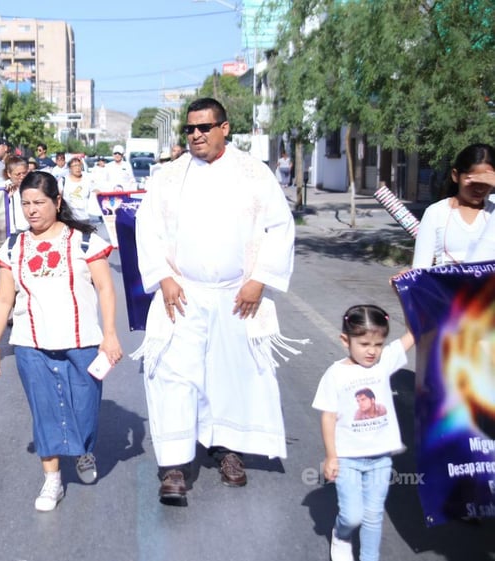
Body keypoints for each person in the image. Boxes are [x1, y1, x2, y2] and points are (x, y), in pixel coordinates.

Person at [134, 97, 296, 506]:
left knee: (231, 376)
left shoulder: (253, 173)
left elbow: (280, 226)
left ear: (225, 128)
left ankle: (228, 451)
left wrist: (259, 280)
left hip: (236, 296)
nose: (196, 135)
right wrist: (164, 277)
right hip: (182, 294)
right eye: (190, 129)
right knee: (173, 374)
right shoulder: (168, 177)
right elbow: (147, 227)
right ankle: (174, 465)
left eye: (205, 127)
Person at [0, 171, 122, 512]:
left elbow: (105, 288)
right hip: (31, 342)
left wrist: (110, 334)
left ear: (57, 202)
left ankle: (84, 450)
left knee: (85, 406)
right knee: (43, 410)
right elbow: (4, 299)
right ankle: (52, 480)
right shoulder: (14, 246)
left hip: (82, 341)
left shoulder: (85, 241)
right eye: (26, 203)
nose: (32, 210)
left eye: (39, 203)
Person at [312, 305, 414, 561]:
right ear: (345, 340)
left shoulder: (383, 363)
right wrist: (331, 456)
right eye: (364, 343)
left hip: (381, 458)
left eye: (378, 344)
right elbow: (329, 416)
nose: (372, 351)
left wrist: (402, 292)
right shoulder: (336, 374)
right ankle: (342, 534)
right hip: (348, 458)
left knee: (373, 515)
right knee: (352, 515)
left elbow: (414, 331)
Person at [412, 143, 495, 268]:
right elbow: (420, 268)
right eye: (473, 181)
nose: (479, 188)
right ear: (456, 175)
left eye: (486, 182)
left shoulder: (492, 211)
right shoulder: (436, 213)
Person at [61, 157, 94, 222]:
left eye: (79, 165)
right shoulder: (63, 181)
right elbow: (58, 197)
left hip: (85, 218)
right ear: (70, 168)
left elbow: (95, 191)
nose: (78, 168)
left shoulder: (88, 179)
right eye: (75, 166)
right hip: (69, 218)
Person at [3, 156, 29, 233]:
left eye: (24, 173)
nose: (22, 177)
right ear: (9, 173)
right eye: (18, 174)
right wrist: (7, 198)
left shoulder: (30, 186)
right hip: (11, 232)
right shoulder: (4, 188)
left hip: (28, 230)